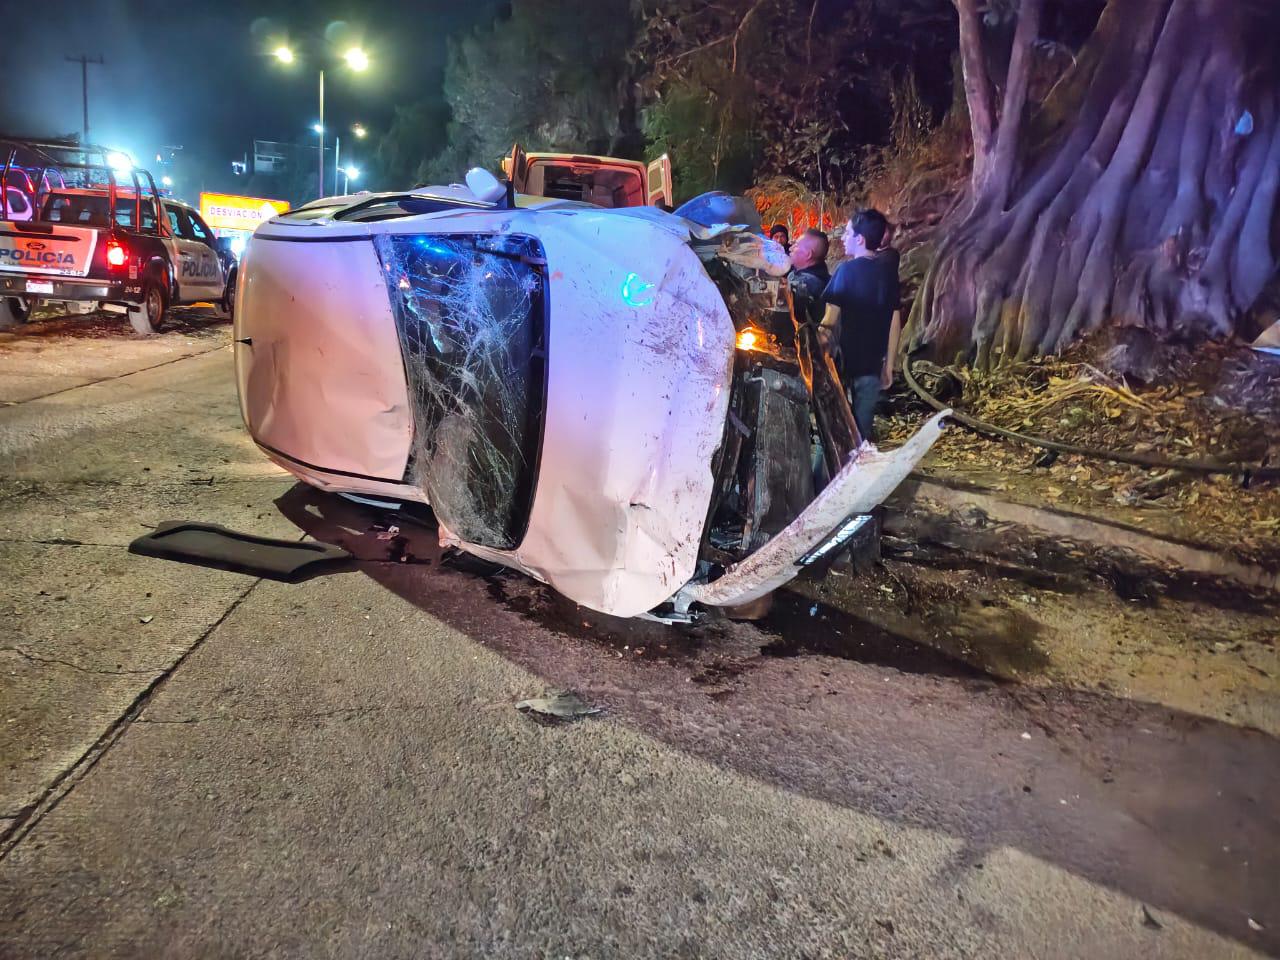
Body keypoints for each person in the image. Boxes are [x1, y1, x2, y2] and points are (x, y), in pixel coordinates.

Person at [819, 209, 901, 444]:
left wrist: (812, 349)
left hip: (842, 366)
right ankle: (856, 476)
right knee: (861, 433)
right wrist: (890, 365)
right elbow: (894, 322)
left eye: (847, 233)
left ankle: (823, 479)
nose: (843, 238)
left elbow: (829, 322)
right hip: (872, 367)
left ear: (860, 239)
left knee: (834, 430)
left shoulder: (846, 271)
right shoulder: (887, 273)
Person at [787, 228, 830, 327]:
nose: (790, 248)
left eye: (796, 245)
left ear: (808, 254)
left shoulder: (806, 283)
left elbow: (795, 322)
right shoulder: (822, 276)